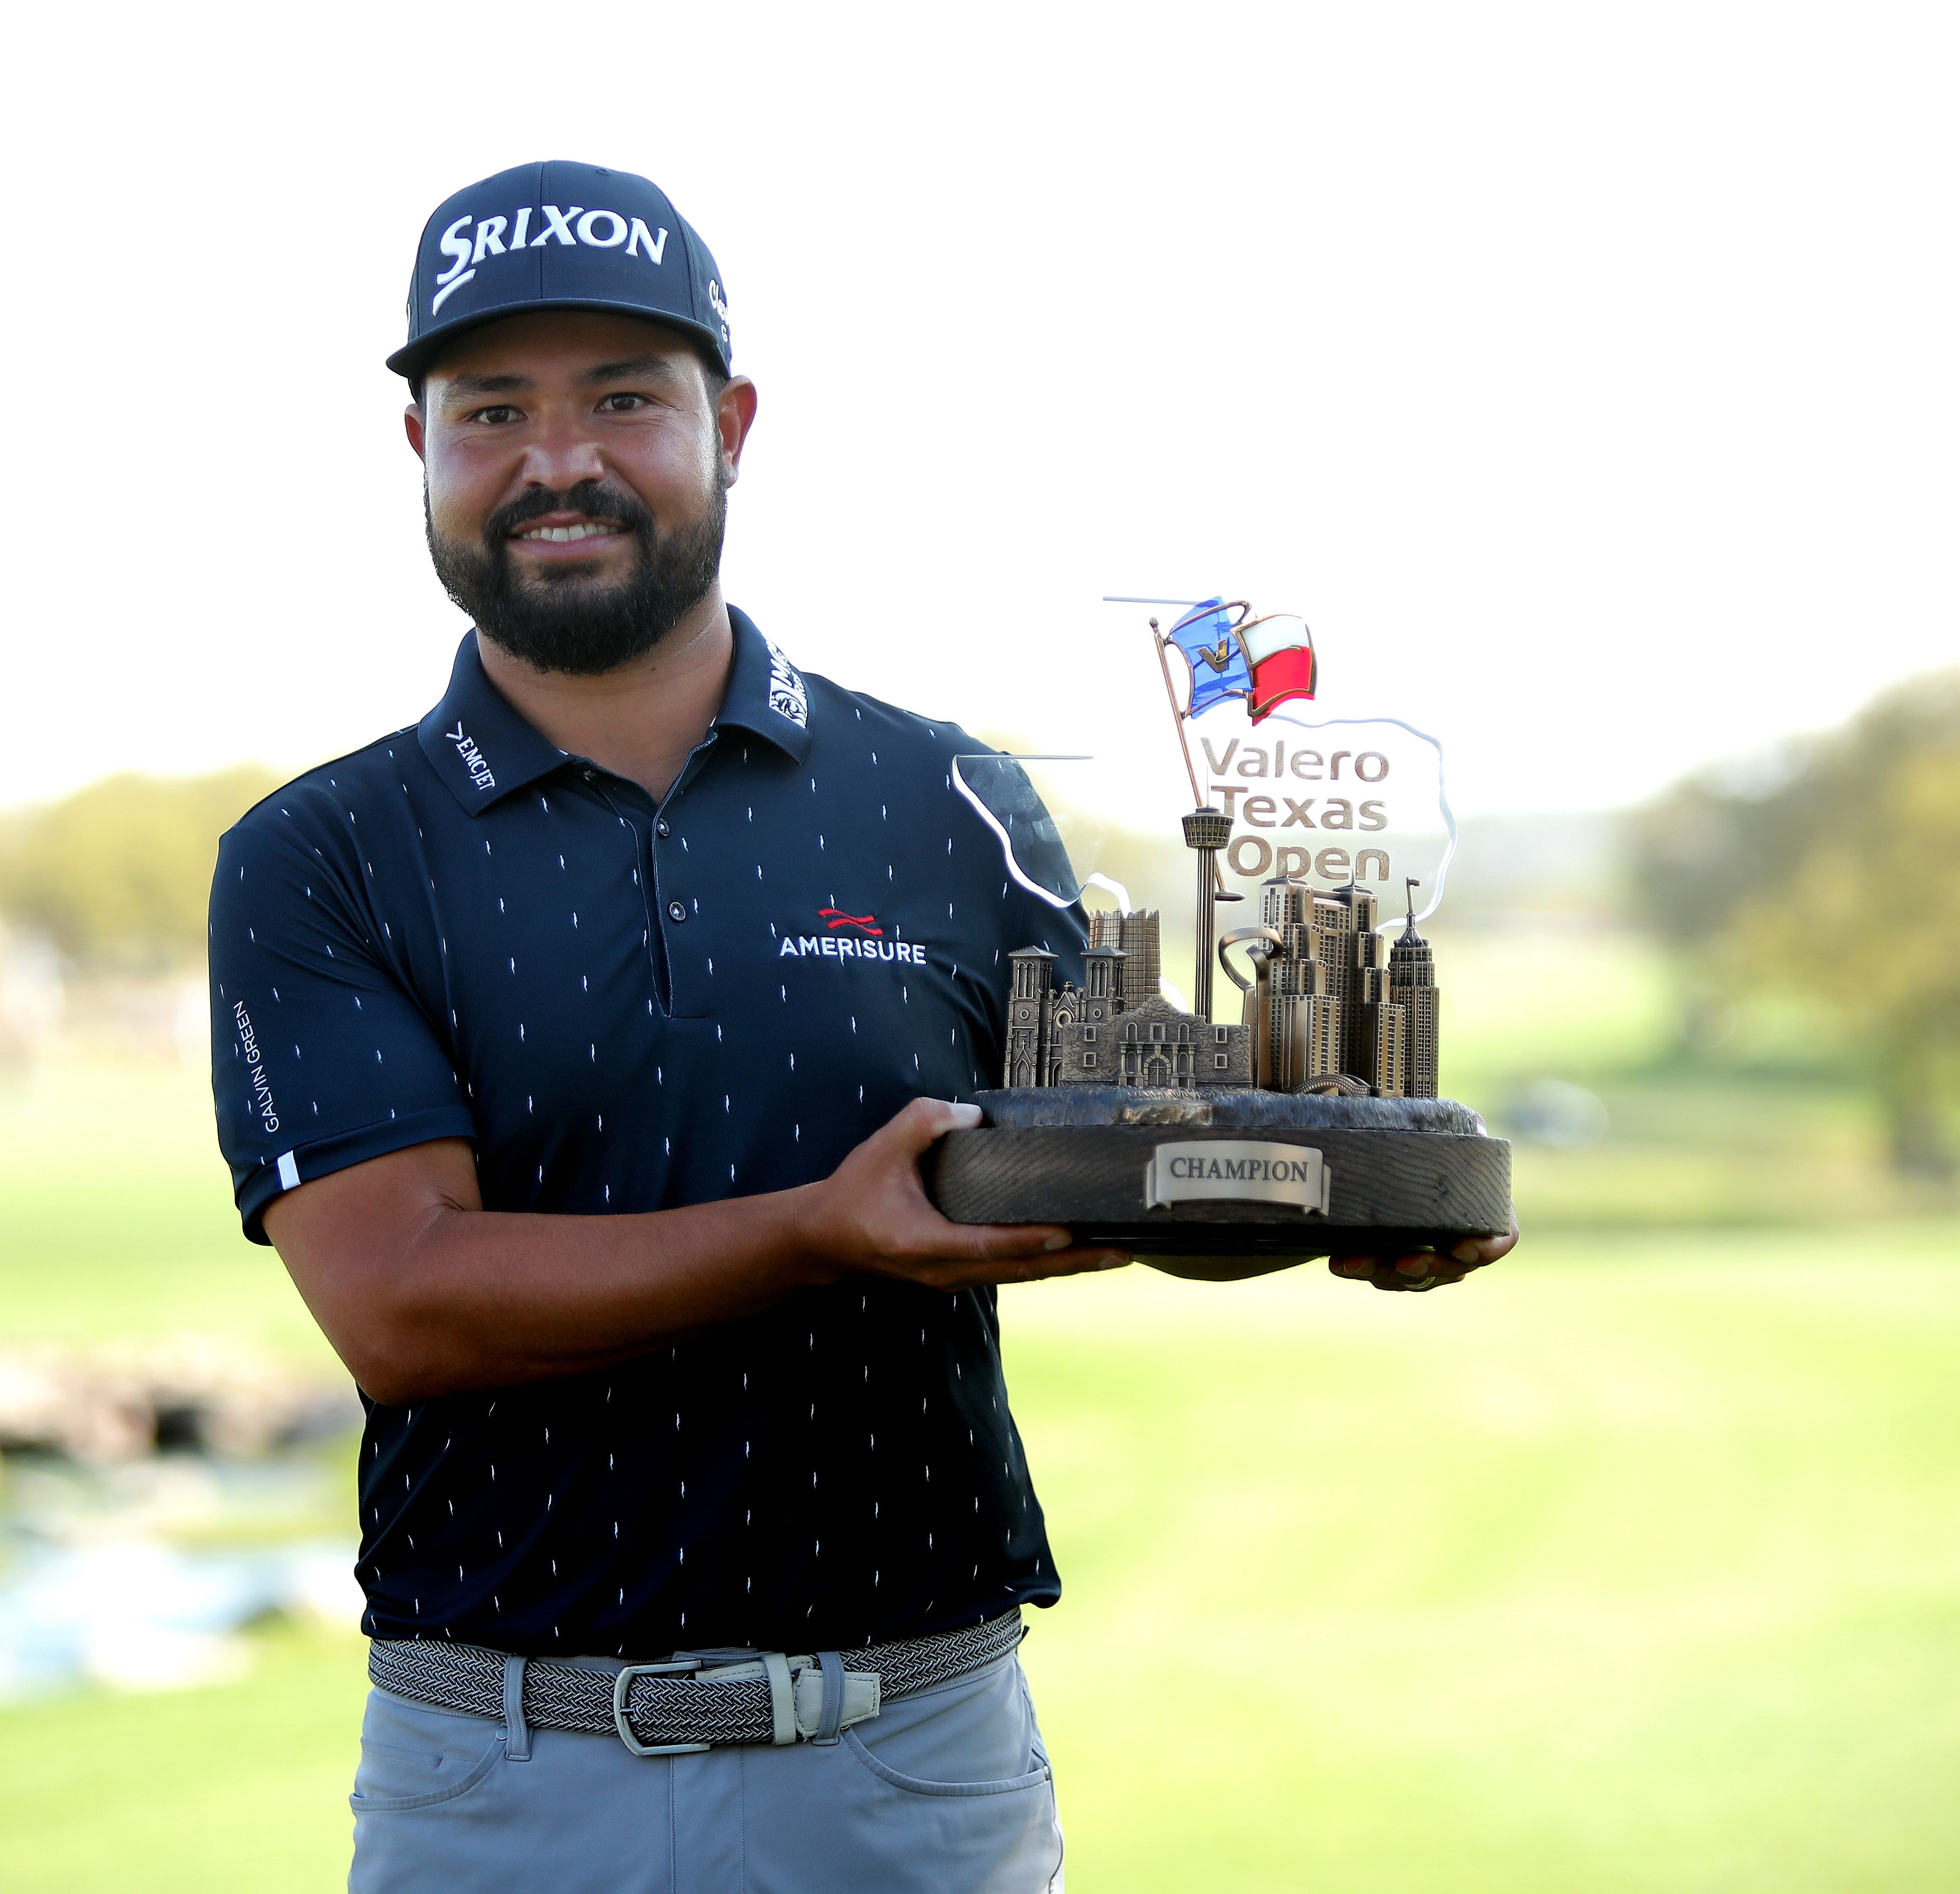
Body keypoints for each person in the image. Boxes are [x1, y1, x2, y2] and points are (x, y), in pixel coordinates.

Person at [206, 159, 1514, 1894]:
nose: (559, 460)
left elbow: (1112, 1163)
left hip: (912, 1765)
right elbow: (403, 1304)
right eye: (493, 409)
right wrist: (823, 1234)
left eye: (624, 399)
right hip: (504, 1787)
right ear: (423, 452)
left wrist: (1347, 1200)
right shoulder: (321, 855)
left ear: (731, 423)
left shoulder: (945, 795)